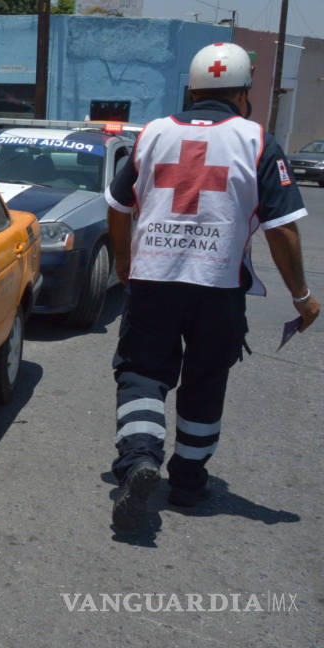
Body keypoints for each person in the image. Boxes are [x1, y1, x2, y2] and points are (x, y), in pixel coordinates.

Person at [104, 42, 320, 531]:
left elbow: (119, 206)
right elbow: (282, 226)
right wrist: (302, 296)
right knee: (205, 379)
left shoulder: (154, 133)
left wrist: (124, 260)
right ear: (243, 94)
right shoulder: (256, 140)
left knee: (141, 373)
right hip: (218, 285)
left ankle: (139, 458)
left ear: (192, 90)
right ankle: (187, 483)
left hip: (153, 279)